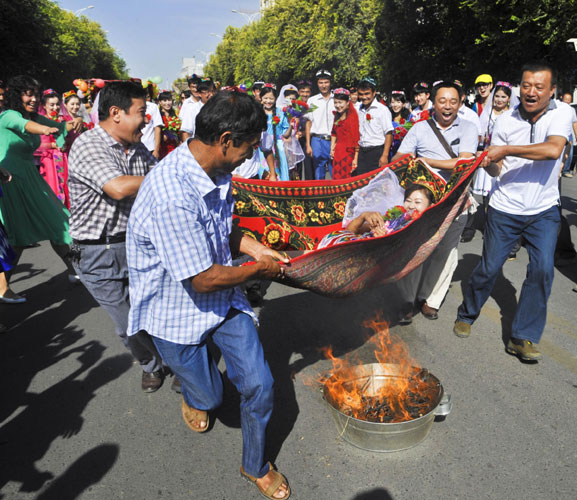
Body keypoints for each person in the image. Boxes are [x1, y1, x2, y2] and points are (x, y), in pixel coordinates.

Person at [126, 90, 291, 500]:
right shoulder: (171, 194)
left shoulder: (218, 169)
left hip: (222, 300)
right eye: (250, 148)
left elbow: (223, 230)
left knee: (260, 385)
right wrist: (259, 269)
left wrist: (253, 248)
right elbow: (202, 279)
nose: (251, 158)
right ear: (226, 139)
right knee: (211, 396)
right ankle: (196, 395)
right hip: (175, 314)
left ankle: (254, 464)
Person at [454, 63, 574, 362]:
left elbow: (552, 150)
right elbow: (497, 169)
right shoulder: (505, 120)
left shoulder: (563, 113)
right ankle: (467, 313)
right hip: (505, 208)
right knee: (489, 268)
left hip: (544, 209)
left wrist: (506, 151)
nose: (531, 92)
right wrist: (490, 163)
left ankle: (522, 337)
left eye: (539, 87)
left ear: (552, 91)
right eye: (526, 86)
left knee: (543, 269)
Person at [67, 81, 165, 392]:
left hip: (136, 246)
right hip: (96, 254)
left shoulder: (139, 150)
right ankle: (152, 364)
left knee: (155, 310)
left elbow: (160, 188)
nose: (146, 120)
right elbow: (118, 187)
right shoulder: (87, 145)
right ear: (116, 114)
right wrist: (168, 173)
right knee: (127, 324)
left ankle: (180, 364)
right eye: (140, 113)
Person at [393, 80, 478, 321]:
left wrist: (426, 161)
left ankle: (430, 300)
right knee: (415, 249)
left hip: (455, 202)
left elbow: (463, 164)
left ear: (461, 102)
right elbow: (400, 157)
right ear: (434, 101)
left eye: (453, 101)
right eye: (442, 101)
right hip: (421, 205)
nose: (447, 106)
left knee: (445, 251)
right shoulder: (420, 128)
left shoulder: (469, 128)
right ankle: (407, 301)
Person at [0, 75, 81, 289]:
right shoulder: (9, 115)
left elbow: (63, 125)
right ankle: (3, 289)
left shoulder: (35, 116)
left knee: (58, 222)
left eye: (36, 94)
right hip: (10, 179)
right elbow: (24, 125)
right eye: (29, 94)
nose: (34, 98)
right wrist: (45, 130)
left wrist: (77, 121)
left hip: (31, 178)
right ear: (18, 95)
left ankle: (78, 270)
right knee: (17, 237)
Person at [317, 183, 433, 249]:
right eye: (408, 200)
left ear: (430, 206)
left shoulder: (422, 229)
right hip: (351, 247)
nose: (411, 206)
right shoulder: (394, 216)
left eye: (417, 202)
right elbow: (350, 231)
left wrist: (383, 240)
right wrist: (363, 216)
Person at [35, 89, 71, 207]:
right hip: (49, 161)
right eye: (51, 105)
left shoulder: (63, 121)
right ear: (44, 106)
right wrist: (52, 145)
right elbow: (36, 145)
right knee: (51, 189)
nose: (55, 107)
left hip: (63, 159)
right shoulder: (40, 123)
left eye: (57, 104)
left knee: (66, 187)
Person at [356, 77, 393, 175]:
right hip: (362, 152)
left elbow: (388, 133)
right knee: (362, 184)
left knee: (377, 184)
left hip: (376, 152)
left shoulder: (382, 110)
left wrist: (385, 155)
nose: (364, 97)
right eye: (361, 94)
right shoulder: (359, 109)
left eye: (367, 94)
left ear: (374, 93)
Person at [258, 85, 293, 181]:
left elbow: (286, 133)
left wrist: (291, 124)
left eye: (271, 98)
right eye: (265, 98)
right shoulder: (257, 112)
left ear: (276, 99)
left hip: (278, 147)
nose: (268, 101)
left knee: (279, 174)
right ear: (261, 98)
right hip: (261, 147)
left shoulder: (281, 113)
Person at [305, 69, 335, 179]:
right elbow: (308, 122)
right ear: (317, 84)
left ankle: (336, 196)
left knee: (335, 172)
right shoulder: (312, 101)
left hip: (333, 140)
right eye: (321, 82)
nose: (324, 85)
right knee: (318, 173)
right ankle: (320, 196)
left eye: (326, 82)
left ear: (330, 83)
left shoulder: (336, 99)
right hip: (317, 140)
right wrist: (308, 144)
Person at [330, 88, 359, 179]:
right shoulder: (337, 116)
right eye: (335, 102)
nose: (337, 105)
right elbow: (334, 133)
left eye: (340, 102)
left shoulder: (352, 117)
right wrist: (332, 148)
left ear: (347, 103)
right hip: (338, 152)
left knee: (347, 180)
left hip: (349, 154)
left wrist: (355, 158)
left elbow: (357, 139)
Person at [295, 79, 314, 179]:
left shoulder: (313, 105)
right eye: (302, 92)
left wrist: (304, 133)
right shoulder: (294, 105)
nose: (305, 94)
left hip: (309, 139)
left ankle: (309, 186)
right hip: (296, 139)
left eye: (307, 92)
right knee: (297, 166)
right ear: (298, 92)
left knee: (309, 165)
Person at [389, 90, 413, 161]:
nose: (395, 105)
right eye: (393, 102)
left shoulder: (410, 118)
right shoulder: (387, 117)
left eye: (398, 102)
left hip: (405, 153)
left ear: (403, 104)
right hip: (391, 153)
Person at [157, 90, 181, 158]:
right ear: (160, 102)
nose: (167, 103)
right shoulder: (158, 116)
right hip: (163, 147)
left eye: (169, 100)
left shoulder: (174, 114)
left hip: (174, 146)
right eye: (164, 100)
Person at [560, 92, 577, 178]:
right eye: (565, 99)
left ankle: (565, 170)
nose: (567, 101)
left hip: (569, 134)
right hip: (558, 134)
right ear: (561, 98)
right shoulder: (557, 108)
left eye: (569, 100)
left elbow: (574, 123)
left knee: (569, 154)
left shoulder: (572, 110)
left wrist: (576, 134)